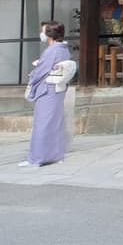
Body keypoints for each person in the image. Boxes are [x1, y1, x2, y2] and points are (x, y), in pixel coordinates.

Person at [22, 22, 71, 167]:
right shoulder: (63, 49)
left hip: (48, 89)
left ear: (50, 35)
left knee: (42, 123)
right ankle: (55, 155)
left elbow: (41, 71)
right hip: (58, 89)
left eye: (43, 31)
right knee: (54, 122)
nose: (41, 34)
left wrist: (33, 76)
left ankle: (37, 158)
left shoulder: (52, 50)